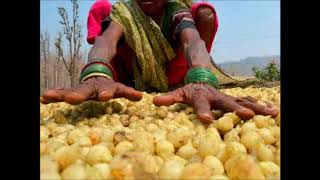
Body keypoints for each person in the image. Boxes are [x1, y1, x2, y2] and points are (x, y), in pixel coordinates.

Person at [41, 0, 279, 123]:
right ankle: (111, 84)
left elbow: (191, 40)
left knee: (205, 12)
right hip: (131, 80)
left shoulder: (176, 11)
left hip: (174, 76)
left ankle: (188, 86)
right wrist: (96, 72)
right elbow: (106, 41)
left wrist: (201, 77)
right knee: (102, 9)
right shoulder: (126, 11)